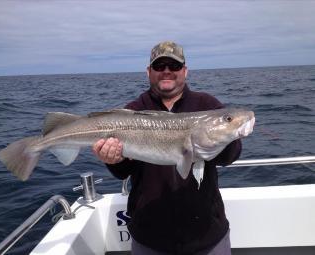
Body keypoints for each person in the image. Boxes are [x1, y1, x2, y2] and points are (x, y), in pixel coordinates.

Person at [93, 41, 242, 255]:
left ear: (185, 70)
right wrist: (111, 158)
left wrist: (225, 138)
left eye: (174, 66)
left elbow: (231, 155)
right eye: (159, 66)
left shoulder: (207, 105)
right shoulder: (134, 111)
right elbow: (122, 172)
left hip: (207, 234)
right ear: (148, 72)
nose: (166, 72)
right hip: (150, 238)